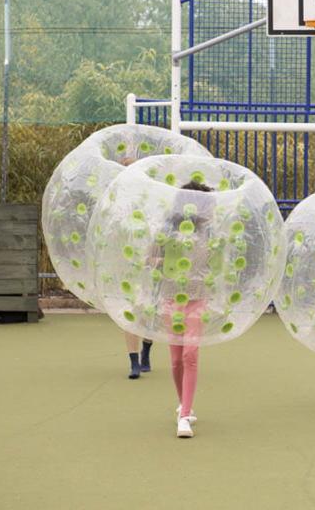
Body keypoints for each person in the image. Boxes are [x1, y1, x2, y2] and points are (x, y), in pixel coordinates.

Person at [162, 179, 213, 438]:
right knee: (175, 359)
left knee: (190, 354)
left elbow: (219, 264)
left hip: (198, 297)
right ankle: (184, 403)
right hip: (171, 297)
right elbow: (151, 256)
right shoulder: (168, 230)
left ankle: (185, 416)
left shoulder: (211, 233)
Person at [117, 156, 154, 379]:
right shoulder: (118, 200)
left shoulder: (150, 197)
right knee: (130, 312)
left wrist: (154, 256)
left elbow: (158, 229)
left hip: (150, 263)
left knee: (150, 313)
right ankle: (133, 362)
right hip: (127, 263)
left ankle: (146, 351)